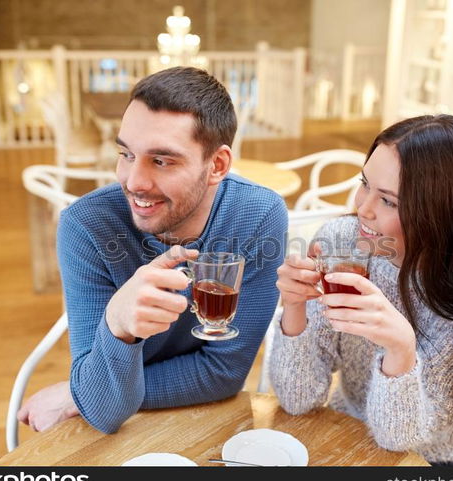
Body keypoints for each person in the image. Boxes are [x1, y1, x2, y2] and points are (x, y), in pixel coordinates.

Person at [18, 67, 288, 434]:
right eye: (126, 154)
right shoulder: (86, 226)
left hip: (206, 422)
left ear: (217, 165)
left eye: (162, 161)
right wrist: (118, 325)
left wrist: (77, 392)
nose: (134, 182)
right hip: (120, 429)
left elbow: (223, 374)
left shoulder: (258, 215)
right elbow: (103, 410)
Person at [270, 115, 453, 465]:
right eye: (364, 183)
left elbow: (399, 440)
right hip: (348, 433)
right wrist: (295, 308)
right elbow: (297, 398)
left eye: (389, 201)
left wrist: (401, 348)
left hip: (437, 462)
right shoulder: (342, 243)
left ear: (438, 210)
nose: (362, 208)